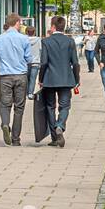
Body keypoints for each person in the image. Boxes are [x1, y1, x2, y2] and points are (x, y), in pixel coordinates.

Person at [38, 15, 81, 148]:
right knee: (65, 106)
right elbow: (75, 62)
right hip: (66, 79)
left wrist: (41, 78)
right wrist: (76, 79)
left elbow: (44, 62)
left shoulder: (46, 41)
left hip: (50, 79)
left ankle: (55, 137)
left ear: (52, 27)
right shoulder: (70, 41)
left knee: (50, 107)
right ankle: (60, 125)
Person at [0, 13, 33, 146]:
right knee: (19, 107)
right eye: (20, 23)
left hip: (5, 76)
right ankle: (16, 139)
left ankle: (5, 123)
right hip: (21, 75)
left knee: (5, 104)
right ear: (16, 23)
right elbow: (29, 58)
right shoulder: (24, 38)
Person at [25, 22, 42, 101]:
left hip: (26, 62)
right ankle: (30, 93)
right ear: (34, 32)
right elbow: (41, 50)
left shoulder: (24, 40)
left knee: (26, 78)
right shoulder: (39, 40)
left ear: (26, 32)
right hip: (36, 62)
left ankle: (26, 92)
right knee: (33, 78)